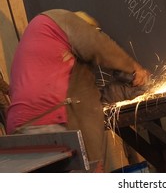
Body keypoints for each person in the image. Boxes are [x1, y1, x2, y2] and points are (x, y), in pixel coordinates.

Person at [6, 9, 151, 171]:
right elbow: (98, 46)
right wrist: (133, 69)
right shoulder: (58, 20)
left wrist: (129, 91)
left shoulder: (51, 55)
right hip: (52, 126)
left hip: (18, 132)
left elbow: (90, 100)